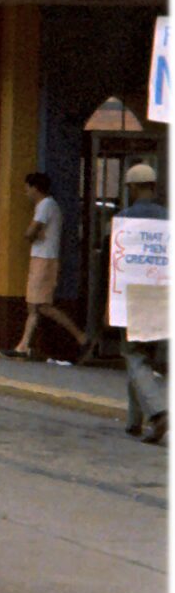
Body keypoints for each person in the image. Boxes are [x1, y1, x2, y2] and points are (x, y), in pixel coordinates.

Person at [1, 172, 91, 362]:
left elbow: (30, 232)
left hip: (44, 259)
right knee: (36, 306)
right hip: (43, 258)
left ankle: (80, 337)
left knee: (41, 306)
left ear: (35, 188)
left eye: (27, 188)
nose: (26, 192)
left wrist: (33, 234)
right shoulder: (50, 206)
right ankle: (23, 346)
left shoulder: (45, 206)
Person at [115, 163, 167, 444]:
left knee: (134, 355)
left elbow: (117, 266)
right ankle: (134, 421)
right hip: (164, 295)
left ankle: (158, 413)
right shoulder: (169, 219)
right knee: (149, 358)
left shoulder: (124, 219)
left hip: (134, 297)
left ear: (132, 188)